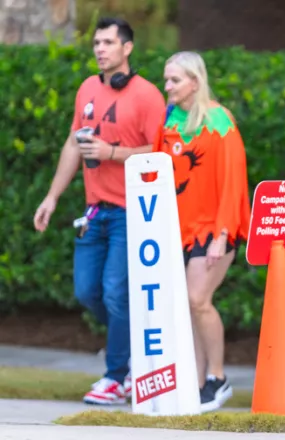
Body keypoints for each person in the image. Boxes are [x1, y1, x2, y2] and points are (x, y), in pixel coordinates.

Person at [32, 17, 166, 405]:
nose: (100, 49)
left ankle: (116, 376)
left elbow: (161, 152)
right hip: (93, 212)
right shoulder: (88, 88)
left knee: (114, 293)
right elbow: (74, 144)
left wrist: (113, 154)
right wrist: (52, 196)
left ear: (128, 48)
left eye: (108, 42)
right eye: (96, 42)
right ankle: (133, 351)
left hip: (132, 212)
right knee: (87, 292)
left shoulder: (147, 95)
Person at [152, 51, 251, 412]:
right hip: (176, 230)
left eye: (175, 80)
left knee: (198, 300)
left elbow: (232, 181)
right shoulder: (169, 121)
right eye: (166, 80)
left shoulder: (219, 121)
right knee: (186, 306)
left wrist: (223, 235)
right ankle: (195, 383)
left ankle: (218, 377)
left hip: (213, 229)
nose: (168, 87)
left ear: (195, 81)